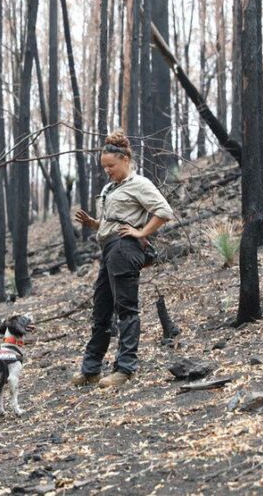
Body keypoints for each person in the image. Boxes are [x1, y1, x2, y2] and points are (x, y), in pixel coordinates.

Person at [72, 130, 174, 388]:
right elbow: (112, 222)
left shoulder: (139, 184)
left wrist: (141, 232)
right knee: (101, 311)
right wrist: (94, 223)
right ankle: (91, 369)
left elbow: (164, 211)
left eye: (111, 166)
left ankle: (125, 369)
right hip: (108, 250)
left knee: (126, 310)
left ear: (126, 160)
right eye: (104, 167)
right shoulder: (110, 188)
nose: (107, 170)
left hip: (125, 249)